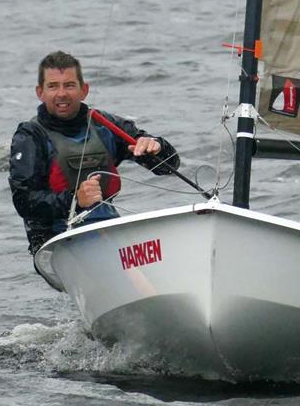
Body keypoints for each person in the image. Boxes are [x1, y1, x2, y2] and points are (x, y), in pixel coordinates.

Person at [9, 50, 179, 258]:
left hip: (106, 228)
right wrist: (75, 199)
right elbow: (24, 202)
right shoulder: (30, 136)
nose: (61, 94)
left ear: (84, 90)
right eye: (53, 86)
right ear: (40, 92)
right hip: (53, 242)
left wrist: (157, 147)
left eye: (69, 85)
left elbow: (169, 166)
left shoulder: (104, 125)